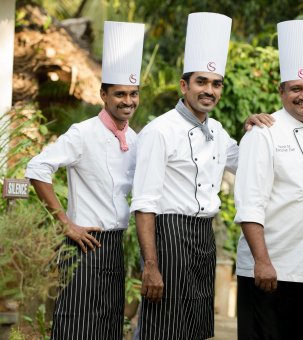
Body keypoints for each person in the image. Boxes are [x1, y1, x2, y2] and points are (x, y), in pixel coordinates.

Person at [131, 12, 273, 340]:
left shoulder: (220, 132)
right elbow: (144, 203)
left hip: (202, 238)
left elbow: (249, 165)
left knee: (194, 330)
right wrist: (150, 266)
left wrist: (255, 134)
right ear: (184, 85)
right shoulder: (160, 131)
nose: (209, 90)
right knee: (160, 327)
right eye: (201, 82)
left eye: (216, 83)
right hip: (169, 236)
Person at [25, 21, 145, 339]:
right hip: (84, 245)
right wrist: (65, 222)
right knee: (75, 325)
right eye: (120, 94)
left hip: (114, 247)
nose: (128, 101)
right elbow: (37, 168)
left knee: (108, 326)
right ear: (103, 94)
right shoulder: (83, 133)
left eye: (134, 94)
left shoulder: (134, 139)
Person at [233, 20, 303, 340]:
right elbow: (249, 204)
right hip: (272, 270)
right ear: (281, 91)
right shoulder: (263, 133)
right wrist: (263, 262)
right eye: (296, 88)